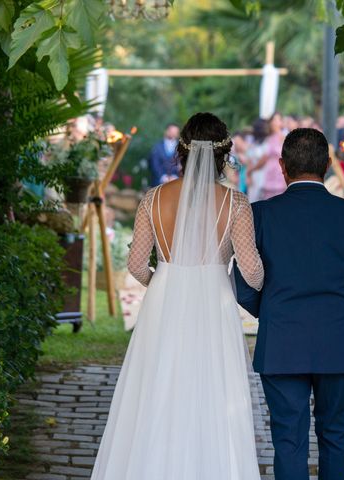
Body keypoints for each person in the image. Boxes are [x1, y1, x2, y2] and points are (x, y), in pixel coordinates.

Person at [91, 113, 265, 480]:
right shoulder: (235, 203)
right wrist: (265, 280)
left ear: (182, 151)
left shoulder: (153, 198)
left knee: (157, 390)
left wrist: (162, 279)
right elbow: (252, 271)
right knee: (215, 393)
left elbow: (136, 264)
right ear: (224, 154)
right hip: (213, 301)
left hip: (165, 299)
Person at [234, 128, 344, 480]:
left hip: (282, 344)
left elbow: (243, 287)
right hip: (337, 343)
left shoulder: (260, 215)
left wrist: (273, 312)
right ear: (329, 165)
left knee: (288, 440)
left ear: (282, 166)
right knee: (335, 436)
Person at [247, 112, 286, 200]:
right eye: (273, 119)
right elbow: (264, 158)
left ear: (281, 122)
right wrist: (251, 170)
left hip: (280, 176)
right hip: (268, 176)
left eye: (278, 119)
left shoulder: (284, 138)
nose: (275, 122)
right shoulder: (269, 139)